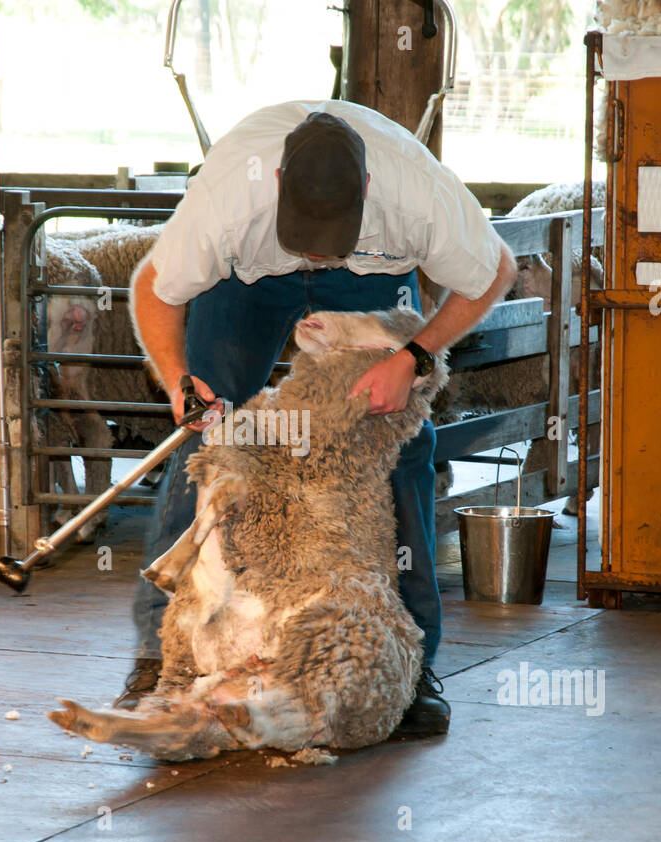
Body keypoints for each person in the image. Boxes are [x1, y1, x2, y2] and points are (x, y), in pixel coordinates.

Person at [121, 100, 516, 736]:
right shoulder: (229, 197)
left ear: (368, 187)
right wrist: (180, 384)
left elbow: (494, 271)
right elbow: (153, 288)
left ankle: (410, 669)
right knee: (208, 442)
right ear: (276, 182)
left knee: (406, 444)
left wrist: (413, 358)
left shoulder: (416, 191)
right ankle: (159, 658)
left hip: (368, 278)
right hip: (248, 279)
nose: (317, 256)